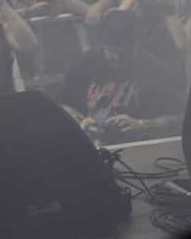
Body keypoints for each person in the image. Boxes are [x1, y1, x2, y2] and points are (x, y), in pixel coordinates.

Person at [55, 9, 183, 143]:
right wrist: (81, 121)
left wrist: (141, 125)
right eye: (110, 51)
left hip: (135, 149)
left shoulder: (152, 68)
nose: (116, 58)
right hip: (91, 147)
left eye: (124, 52)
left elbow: (180, 120)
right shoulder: (87, 61)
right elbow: (61, 104)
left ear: (136, 44)